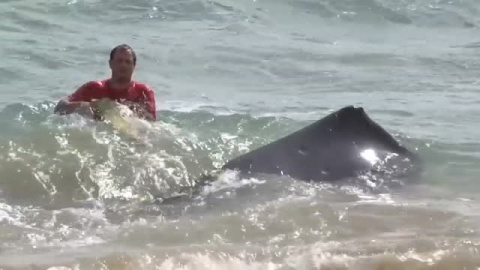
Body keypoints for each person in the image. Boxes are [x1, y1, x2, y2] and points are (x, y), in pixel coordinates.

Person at [54, 44, 157, 121]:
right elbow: (60, 108)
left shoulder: (143, 91)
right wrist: (88, 106)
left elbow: (151, 122)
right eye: (119, 61)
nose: (123, 65)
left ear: (134, 66)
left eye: (128, 62)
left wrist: (128, 110)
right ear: (110, 64)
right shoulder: (94, 88)